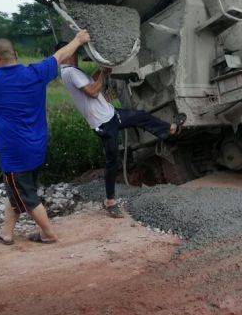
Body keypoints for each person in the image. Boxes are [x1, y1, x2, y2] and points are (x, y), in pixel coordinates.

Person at [0, 31, 91, 245]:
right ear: (16, 54)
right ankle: (6, 233)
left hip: (15, 155)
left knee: (26, 196)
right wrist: (78, 40)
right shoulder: (36, 73)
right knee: (18, 191)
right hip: (37, 148)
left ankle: (48, 234)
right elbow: (59, 56)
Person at [56, 43, 186, 218]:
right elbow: (93, 92)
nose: (76, 56)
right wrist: (103, 72)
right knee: (112, 162)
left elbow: (92, 83)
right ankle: (110, 202)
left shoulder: (73, 71)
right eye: (74, 53)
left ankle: (169, 130)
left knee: (140, 116)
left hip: (110, 115)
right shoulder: (70, 72)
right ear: (65, 54)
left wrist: (102, 69)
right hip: (103, 123)